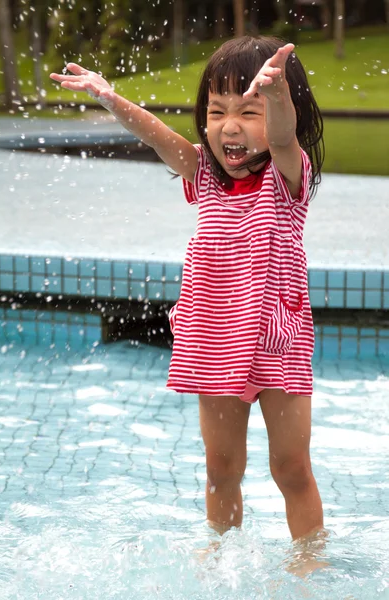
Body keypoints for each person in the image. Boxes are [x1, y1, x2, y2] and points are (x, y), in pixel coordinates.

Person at [50, 36, 325, 544]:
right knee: (221, 470)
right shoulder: (204, 174)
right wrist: (110, 97)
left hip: (275, 342)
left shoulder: (287, 178)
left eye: (249, 111)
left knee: (290, 468)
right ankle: (220, 560)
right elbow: (158, 137)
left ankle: (309, 563)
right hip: (213, 340)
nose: (230, 127)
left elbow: (284, 138)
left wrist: (278, 95)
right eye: (217, 111)